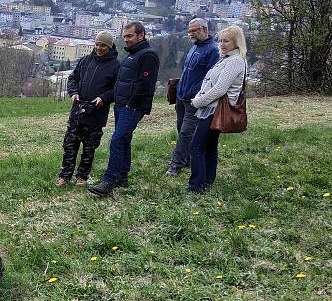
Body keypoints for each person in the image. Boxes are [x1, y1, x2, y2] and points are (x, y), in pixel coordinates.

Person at [88, 21, 160, 197]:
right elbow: (122, 83)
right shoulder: (131, 55)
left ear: (141, 35)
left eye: (130, 36)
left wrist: (130, 104)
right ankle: (122, 176)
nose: (126, 40)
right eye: (124, 36)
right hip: (121, 105)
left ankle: (109, 180)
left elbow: (144, 85)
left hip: (132, 107)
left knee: (117, 140)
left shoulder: (147, 56)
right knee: (125, 140)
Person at [187, 25, 248, 193]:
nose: (222, 44)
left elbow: (220, 89)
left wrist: (198, 102)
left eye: (226, 41)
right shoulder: (227, 58)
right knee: (209, 146)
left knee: (196, 147)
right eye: (220, 40)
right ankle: (207, 182)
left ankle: (196, 186)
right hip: (212, 108)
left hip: (215, 110)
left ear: (237, 42)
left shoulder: (235, 61)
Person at [57, 31, 120, 186]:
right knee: (70, 145)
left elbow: (117, 89)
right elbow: (73, 78)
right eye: (97, 44)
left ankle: (82, 177)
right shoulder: (85, 60)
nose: (99, 48)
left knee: (89, 148)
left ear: (110, 47)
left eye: (103, 45)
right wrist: (73, 93)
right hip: (77, 111)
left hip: (96, 114)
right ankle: (65, 176)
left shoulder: (116, 66)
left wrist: (103, 98)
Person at [165, 18, 219, 176]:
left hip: (194, 100)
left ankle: (175, 164)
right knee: (181, 128)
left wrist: (198, 95)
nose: (191, 34)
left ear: (204, 29)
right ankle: (186, 158)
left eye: (194, 30)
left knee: (186, 132)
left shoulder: (213, 51)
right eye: (189, 31)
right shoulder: (194, 48)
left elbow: (211, 77)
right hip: (181, 97)